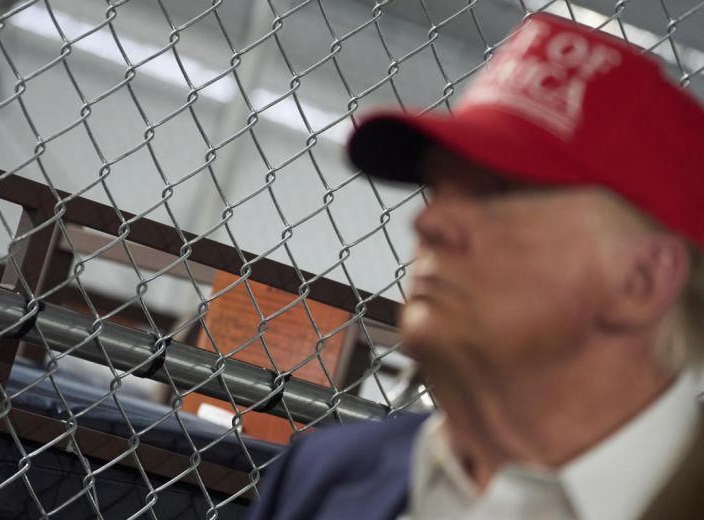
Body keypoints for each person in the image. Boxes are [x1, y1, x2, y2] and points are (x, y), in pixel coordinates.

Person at [247, 12, 703, 520]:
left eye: (496, 192)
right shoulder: (322, 478)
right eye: (439, 187)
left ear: (642, 282)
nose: (429, 222)